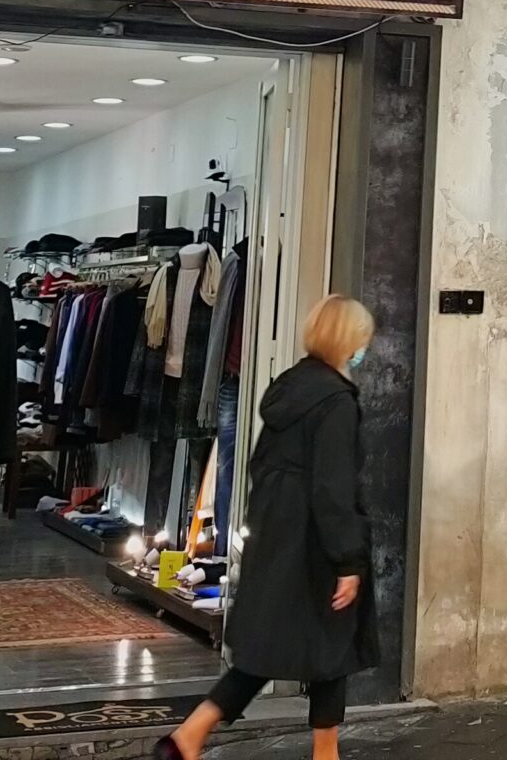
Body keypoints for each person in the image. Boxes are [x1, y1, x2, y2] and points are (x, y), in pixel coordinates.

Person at [159, 295, 377, 760]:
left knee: (269, 645)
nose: (364, 348)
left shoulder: (289, 390)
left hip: (278, 534)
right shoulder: (336, 402)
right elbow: (334, 488)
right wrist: (348, 560)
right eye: (362, 339)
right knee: (331, 643)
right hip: (316, 541)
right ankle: (324, 754)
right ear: (347, 340)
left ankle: (189, 736)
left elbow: (261, 465)